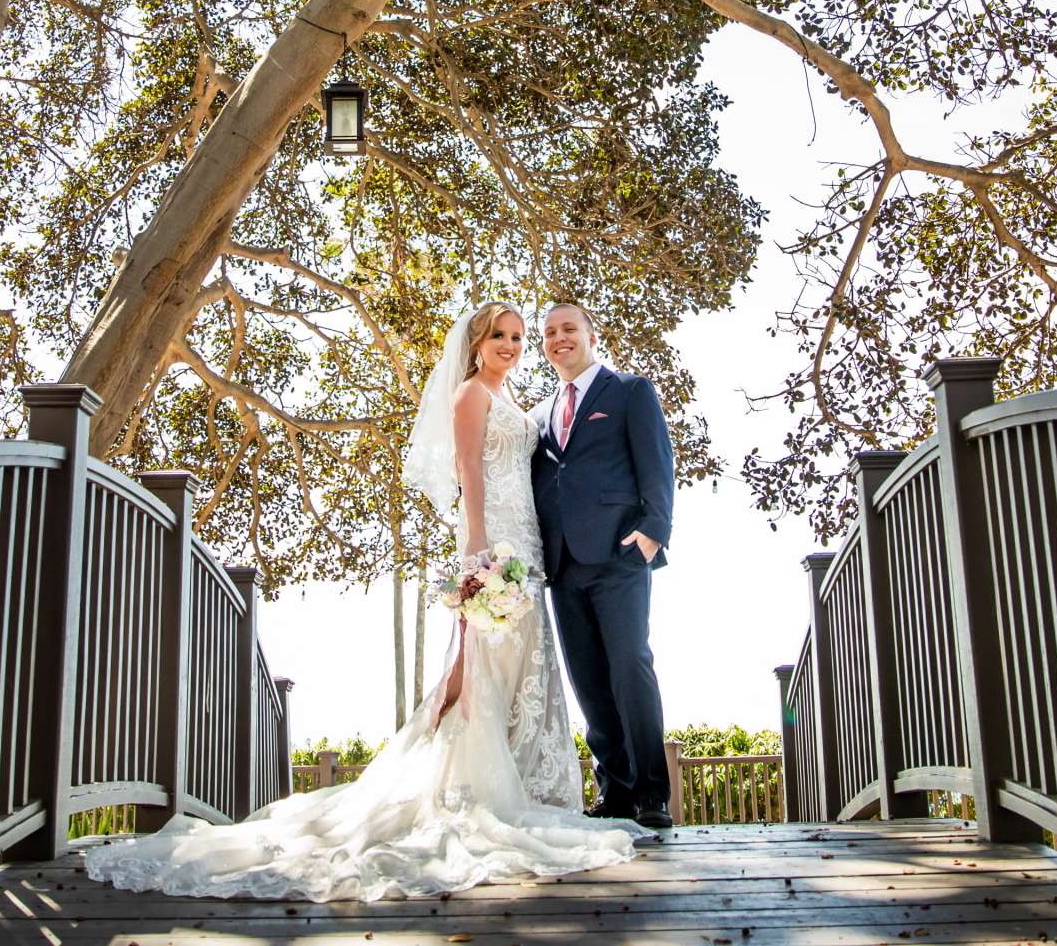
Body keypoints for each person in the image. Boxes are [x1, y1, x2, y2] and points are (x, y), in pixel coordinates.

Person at [81, 303, 639, 902]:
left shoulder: (511, 401)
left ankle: (519, 785)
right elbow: (468, 472)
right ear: (476, 344)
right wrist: (478, 548)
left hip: (526, 541)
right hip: (494, 538)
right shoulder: (471, 395)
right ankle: (468, 787)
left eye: (517, 337)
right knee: (480, 662)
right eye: (498, 336)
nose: (510, 344)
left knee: (513, 664)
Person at [529, 301, 676, 828]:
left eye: (569, 328)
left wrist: (653, 532)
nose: (558, 338)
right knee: (588, 680)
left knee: (630, 668)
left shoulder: (630, 391)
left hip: (619, 553)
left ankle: (651, 795)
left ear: (590, 336)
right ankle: (614, 791)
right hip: (562, 563)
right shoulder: (541, 413)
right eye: (549, 333)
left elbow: (657, 462)